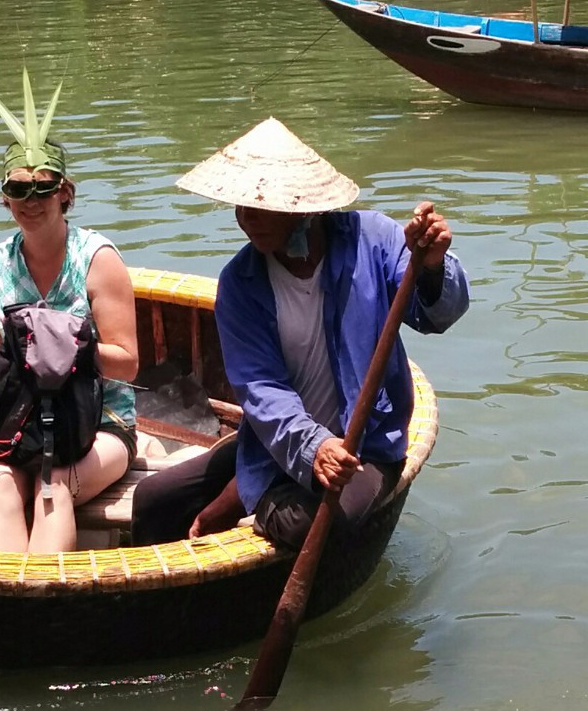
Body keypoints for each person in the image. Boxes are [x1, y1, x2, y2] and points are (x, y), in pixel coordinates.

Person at [131, 118, 469, 548]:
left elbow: (436, 315)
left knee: (306, 524)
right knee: (152, 499)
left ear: (300, 207)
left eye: (259, 207)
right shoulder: (241, 283)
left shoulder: (374, 239)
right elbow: (261, 390)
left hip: (365, 447)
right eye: (240, 207)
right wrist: (314, 448)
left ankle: (247, 497)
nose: (245, 220)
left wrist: (433, 264)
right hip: (279, 441)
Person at [0, 71, 139, 555]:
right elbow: (6, 359)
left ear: (65, 192)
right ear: (4, 197)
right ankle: (5, 597)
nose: (32, 202)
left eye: (43, 188)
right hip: (25, 421)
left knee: (55, 485)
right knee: (3, 482)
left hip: (102, 422)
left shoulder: (97, 259)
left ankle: (41, 602)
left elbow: (128, 364)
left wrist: (65, 343)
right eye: (19, 190)